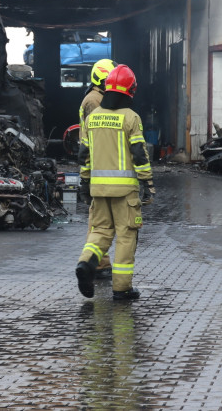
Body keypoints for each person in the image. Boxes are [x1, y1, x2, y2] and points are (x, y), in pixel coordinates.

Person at [75, 64, 154, 301]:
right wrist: (147, 183)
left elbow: (83, 156)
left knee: (100, 232)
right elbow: (139, 154)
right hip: (125, 193)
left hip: (98, 190)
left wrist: (84, 183)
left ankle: (85, 263)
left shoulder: (93, 117)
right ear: (130, 90)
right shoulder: (131, 118)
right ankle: (122, 288)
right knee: (126, 235)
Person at [79, 58, 117, 279]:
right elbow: (93, 141)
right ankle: (96, 264)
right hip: (98, 169)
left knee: (101, 220)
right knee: (98, 221)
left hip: (99, 168)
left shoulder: (98, 97)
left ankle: (100, 262)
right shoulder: (95, 101)